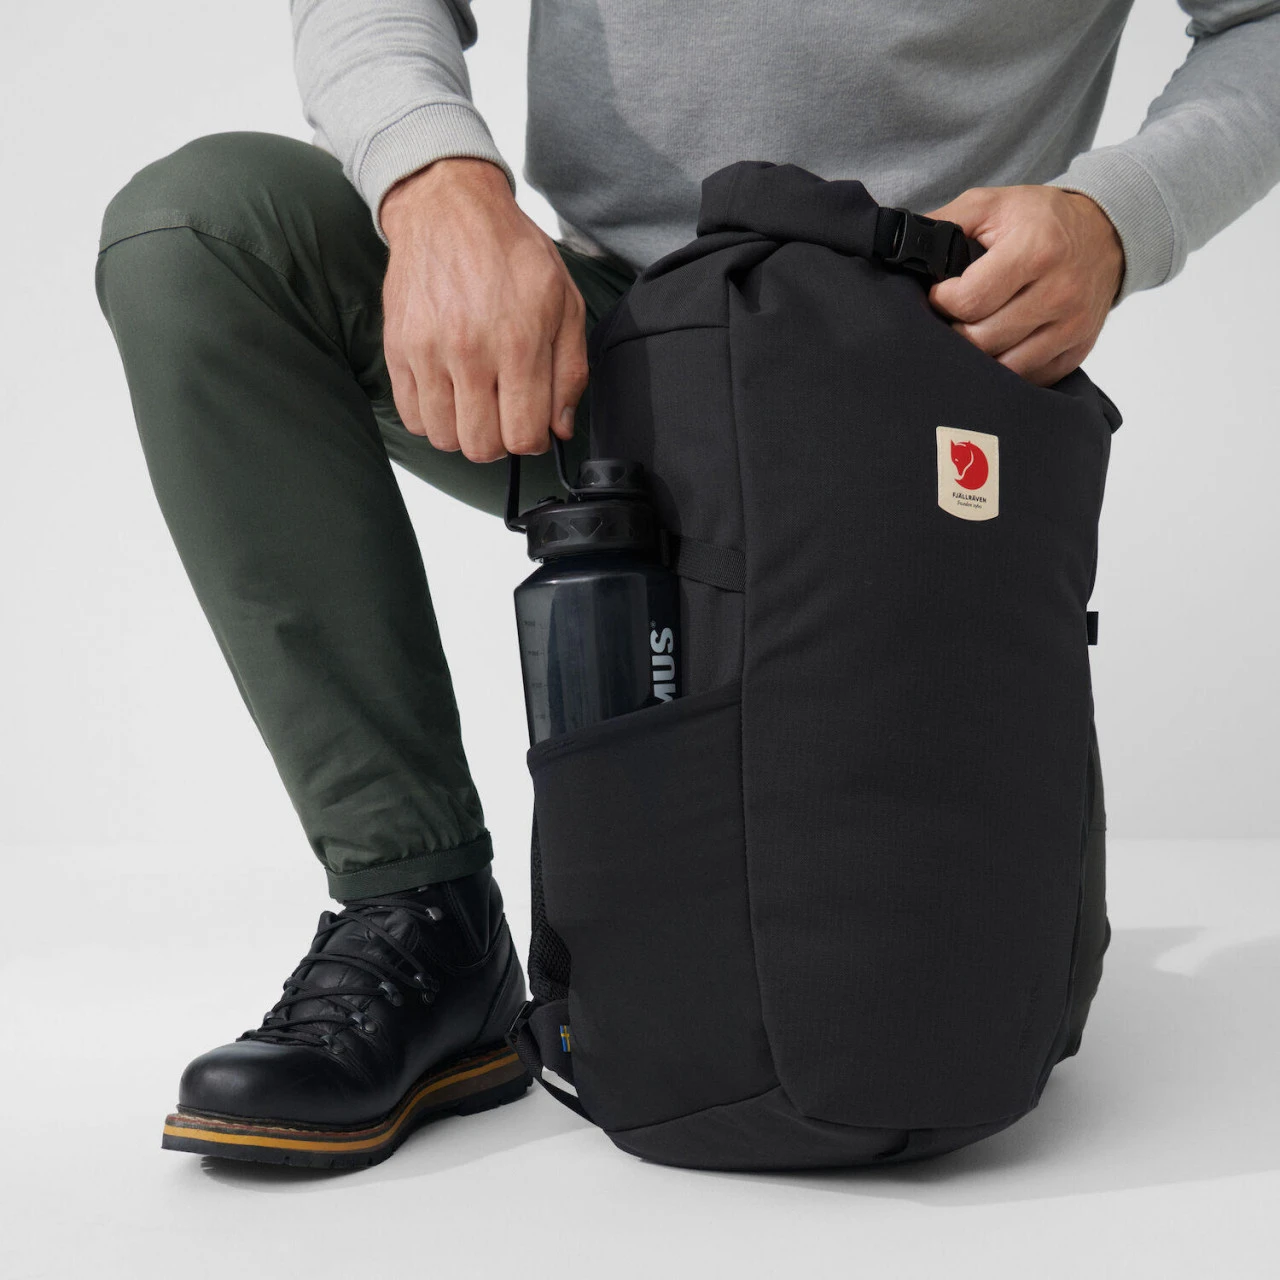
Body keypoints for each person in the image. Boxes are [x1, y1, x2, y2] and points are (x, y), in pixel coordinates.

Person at [96, 0, 1280, 1168]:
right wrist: (434, 185)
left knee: (898, 972)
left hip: (907, 363)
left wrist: (1118, 212)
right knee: (204, 229)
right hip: (601, 342)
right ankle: (417, 908)